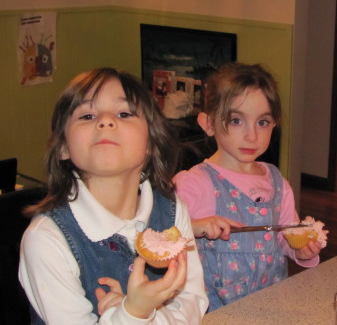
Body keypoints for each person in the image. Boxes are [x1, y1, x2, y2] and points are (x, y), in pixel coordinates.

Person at [19, 68, 208, 324]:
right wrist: (133, 313)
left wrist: (141, 314)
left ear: (151, 144)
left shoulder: (173, 210)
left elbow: (192, 302)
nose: (106, 121)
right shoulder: (46, 239)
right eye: (87, 115)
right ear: (63, 147)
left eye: (124, 113)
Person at [173, 62, 323, 312]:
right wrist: (196, 226)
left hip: (269, 305)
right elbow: (161, 237)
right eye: (236, 121)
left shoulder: (277, 183)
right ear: (208, 123)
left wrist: (301, 251)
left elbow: (285, 236)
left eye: (262, 122)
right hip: (214, 309)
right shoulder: (195, 183)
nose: (252, 135)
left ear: (274, 124)